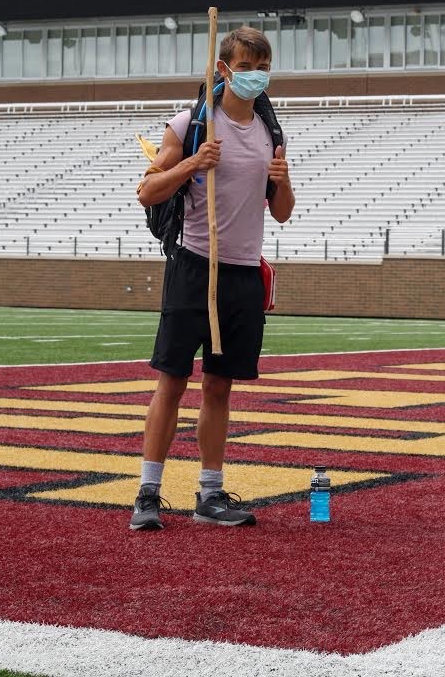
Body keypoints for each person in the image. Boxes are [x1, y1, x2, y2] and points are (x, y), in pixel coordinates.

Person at [131, 26, 295, 530]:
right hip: (194, 265)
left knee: (220, 387)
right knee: (173, 381)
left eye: (261, 66)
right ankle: (148, 492)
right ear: (222, 69)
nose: (255, 76)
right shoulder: (191, 123)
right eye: (245, 67)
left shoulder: (272, 133)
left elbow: (283, 213)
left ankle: (209, 493)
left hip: (244, 272)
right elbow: (147, 190)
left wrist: (283, 182)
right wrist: (193, 165)